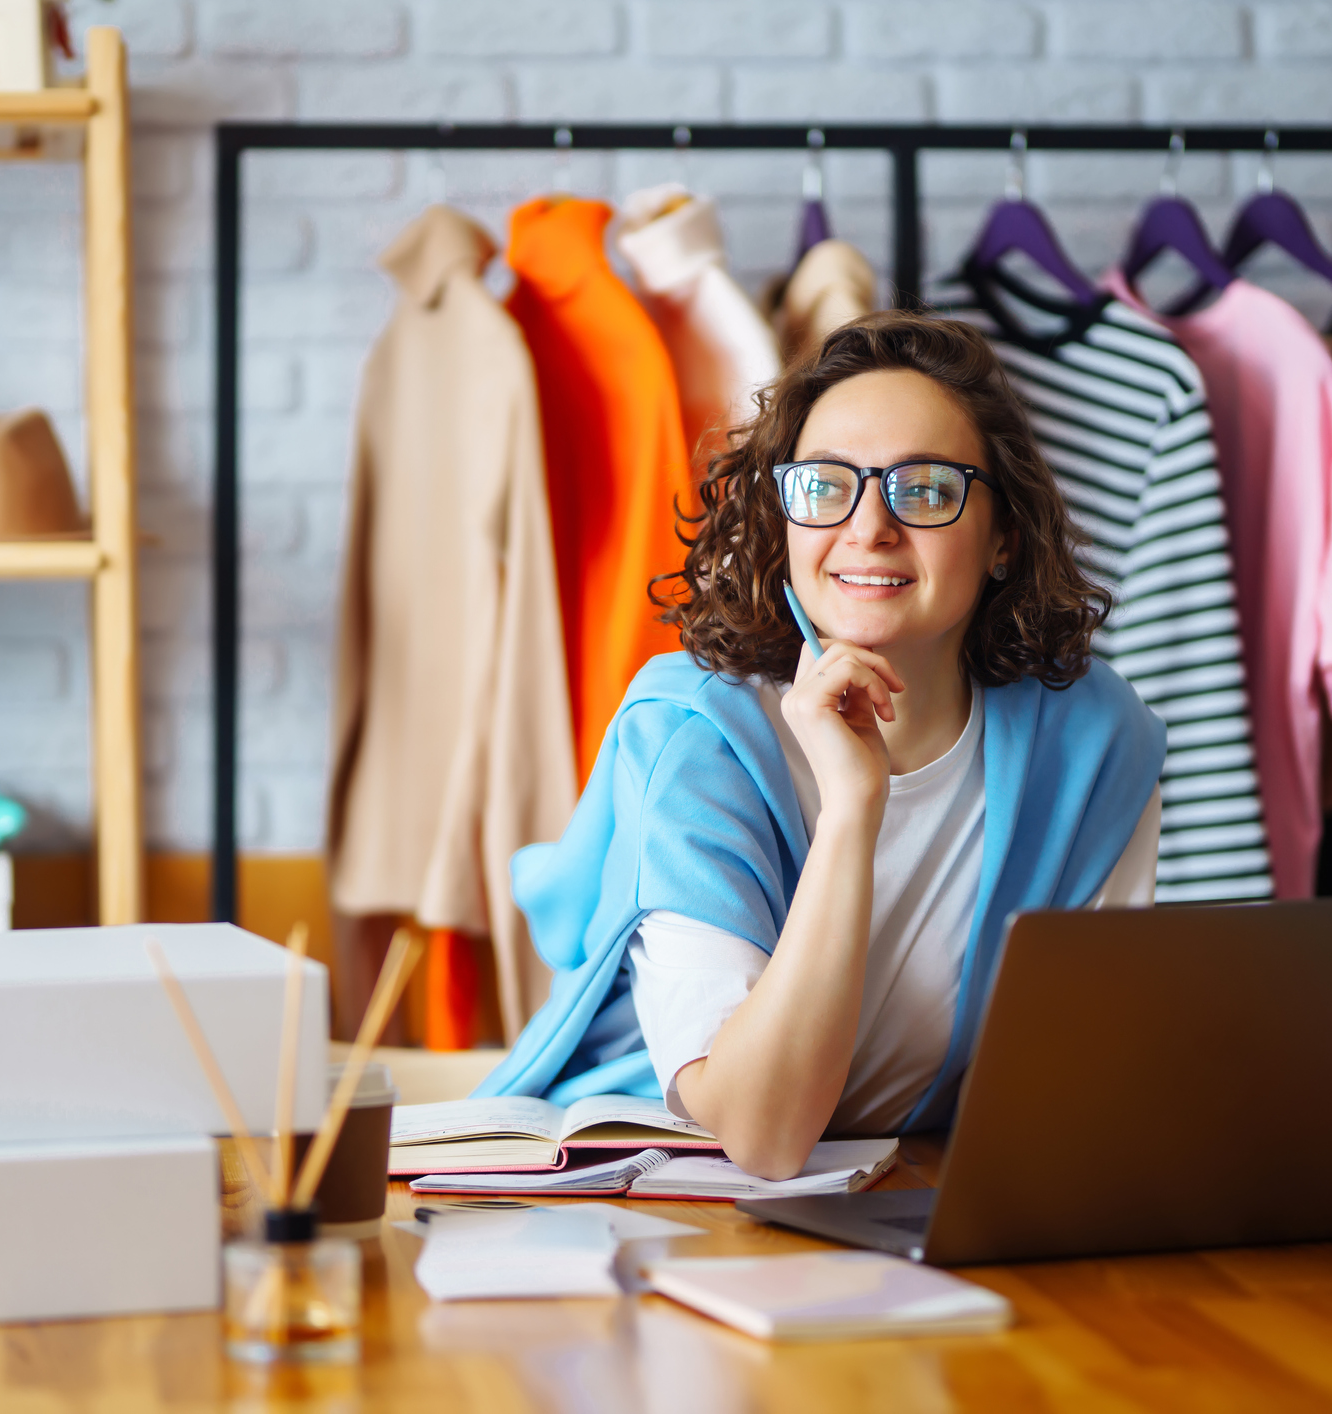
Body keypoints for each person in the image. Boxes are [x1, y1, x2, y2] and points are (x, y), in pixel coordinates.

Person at [474, 311, 1167, 1179]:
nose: (868, 527)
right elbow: (761, 1134)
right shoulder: (696, 738)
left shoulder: (1098, 743)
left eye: (923, 489)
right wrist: (851, 813)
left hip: (906, 1190)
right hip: (642, 1192)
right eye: (826, 484)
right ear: (784, 515)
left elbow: (1078, 1076)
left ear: (1004, 539)